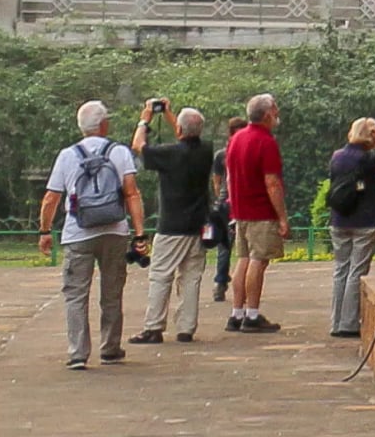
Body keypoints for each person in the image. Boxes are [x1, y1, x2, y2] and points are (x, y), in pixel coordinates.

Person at [38, 99, 143, 369]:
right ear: (104, 124)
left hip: (78, 233)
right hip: (115, 231)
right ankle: (110, 348)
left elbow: (51, 198)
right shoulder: (119, 152)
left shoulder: (67, 155)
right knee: (111, 292)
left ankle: (78, 353)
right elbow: (131, 192)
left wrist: (45, 230)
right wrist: (139, 233)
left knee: (75, 294)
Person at [131, 102, 218, 346]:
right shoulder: (206, 150)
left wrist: (145, 119)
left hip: (172, 226)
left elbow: (138, 145)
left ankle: (154, 327)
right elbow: (187, 134)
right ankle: (186, 328)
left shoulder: (169, 154)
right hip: (199, 225)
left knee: (161, 276)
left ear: (179, 129)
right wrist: (170, 113)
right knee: (191, 278)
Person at [322, 117, 375, 337]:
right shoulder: (369, 159)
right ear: (371, 135)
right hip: (364, 220)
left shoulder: (337, 157)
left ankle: (336, 322)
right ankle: (349, 323)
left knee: (341, 270)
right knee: (356, 271)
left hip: (340, 219)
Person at [221, 92, 289, 333]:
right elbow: (272, 182)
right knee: (258, 261)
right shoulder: (265, 142)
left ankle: (236, 312)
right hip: (260, 210)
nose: (278, 113)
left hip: (240, 210)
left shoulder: (236, 139)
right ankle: (252, 314)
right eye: (276, 110)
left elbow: (229, 177)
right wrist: (282, 216)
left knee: (244, 259)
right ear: (268, 113)